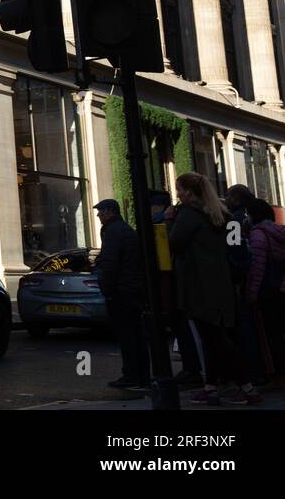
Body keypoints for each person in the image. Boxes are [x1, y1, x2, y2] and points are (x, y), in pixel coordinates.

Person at [167, 172, 262, 406]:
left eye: (179, 189)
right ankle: (211, 388)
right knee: (214, 338)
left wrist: (169, 220)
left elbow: (173, 242)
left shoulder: (188, 215)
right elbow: (237, 249)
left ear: (189, 192)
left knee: (217, 339)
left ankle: (247, 387)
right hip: (222, 284)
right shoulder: (224, 215)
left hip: (199, 286)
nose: (177, 194)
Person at [93, 199, 149, 391]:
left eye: (100, 212)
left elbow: (110, 263)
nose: (98, 215)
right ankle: (140, 375)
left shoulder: (113, 231)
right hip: (131, 289)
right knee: (135, 335)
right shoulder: (123, 229)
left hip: (122, 291)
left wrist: (106, 289)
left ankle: (132, 375)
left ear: (110, 212)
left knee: (128, 335)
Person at [151, 191, 200, 384]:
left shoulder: (165, 224)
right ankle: (191, 369)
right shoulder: (166, 222)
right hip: (173, 284)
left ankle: (192, 370)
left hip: (172, 284)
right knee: (182, 329)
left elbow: (165, 260)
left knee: (183, 328)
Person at [245, 198, 285, 385]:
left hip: (268, 291)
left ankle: (277, 373)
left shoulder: (258, 235)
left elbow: (258, 267)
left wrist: (251, 294)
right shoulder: (279, 231)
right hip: (281, 287)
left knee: (272, 333)